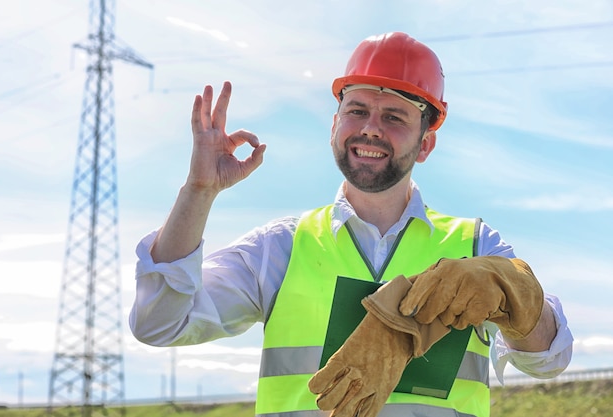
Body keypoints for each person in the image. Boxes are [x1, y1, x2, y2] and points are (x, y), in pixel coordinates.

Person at [129, 32, 573, 417]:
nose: (371, 129)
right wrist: (198, 191)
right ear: (334, 125)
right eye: (357, 110)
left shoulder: (475, 246)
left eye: (394, 117)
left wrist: (509, 292)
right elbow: (161, 324)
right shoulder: (281, 248)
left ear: (426, 144)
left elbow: (548, 361)